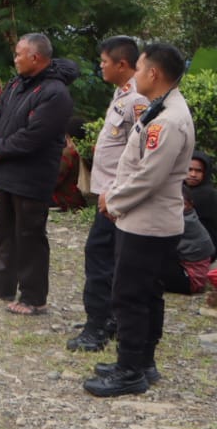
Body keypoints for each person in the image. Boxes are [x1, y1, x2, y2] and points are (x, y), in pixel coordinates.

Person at [84, 42, 194, 397]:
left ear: (153, 73)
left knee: (131, 295)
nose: (135, 73)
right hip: (148, 220)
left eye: (140, 67)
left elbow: (149, 176)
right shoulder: (162, 109)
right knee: (146, 293)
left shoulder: (170, 120)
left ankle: (130, 369)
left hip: (147, 223)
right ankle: (141, 362)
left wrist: (112, 201)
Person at [0, 33, 76, 316]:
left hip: (32, 176)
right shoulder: (17, 83)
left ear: (36, 57)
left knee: (30, 236)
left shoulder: (55, 93)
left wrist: (0, 148)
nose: (15, 58)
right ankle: (2, 285)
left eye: (19, 54)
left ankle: (33, 296)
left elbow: (35, 136)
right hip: (7, 171)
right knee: (4, 232)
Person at [68, 36, 147, 353]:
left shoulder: (138, 100)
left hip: (116, 198)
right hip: (108, 194)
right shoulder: (121, 93)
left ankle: (96, 326)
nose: (100, 66)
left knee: (99, 258)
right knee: (110, 259)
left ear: (122, 64)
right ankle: (109, 318)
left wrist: (116, 194)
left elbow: (141, 154)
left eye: (104, 61)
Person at [162, 187, 215, 296]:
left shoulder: (186, 222)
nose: (179, 208)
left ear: (191, 204)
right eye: (175, 205)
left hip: (191, 280)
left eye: (183, 204)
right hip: (189, 274)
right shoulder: (190, 216)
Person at [52, 117, 88, 212]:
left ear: (68, 136)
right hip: (82, 200)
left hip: (66, 201)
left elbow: (55, 180)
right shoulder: (88, 152)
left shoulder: (69, 154)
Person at [185, 151, 217, 249]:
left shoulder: (207, 194)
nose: (193, 174)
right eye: (189, 169)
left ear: (205, 173)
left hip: (201, 251)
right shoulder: (182, 189)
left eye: (198, 170)